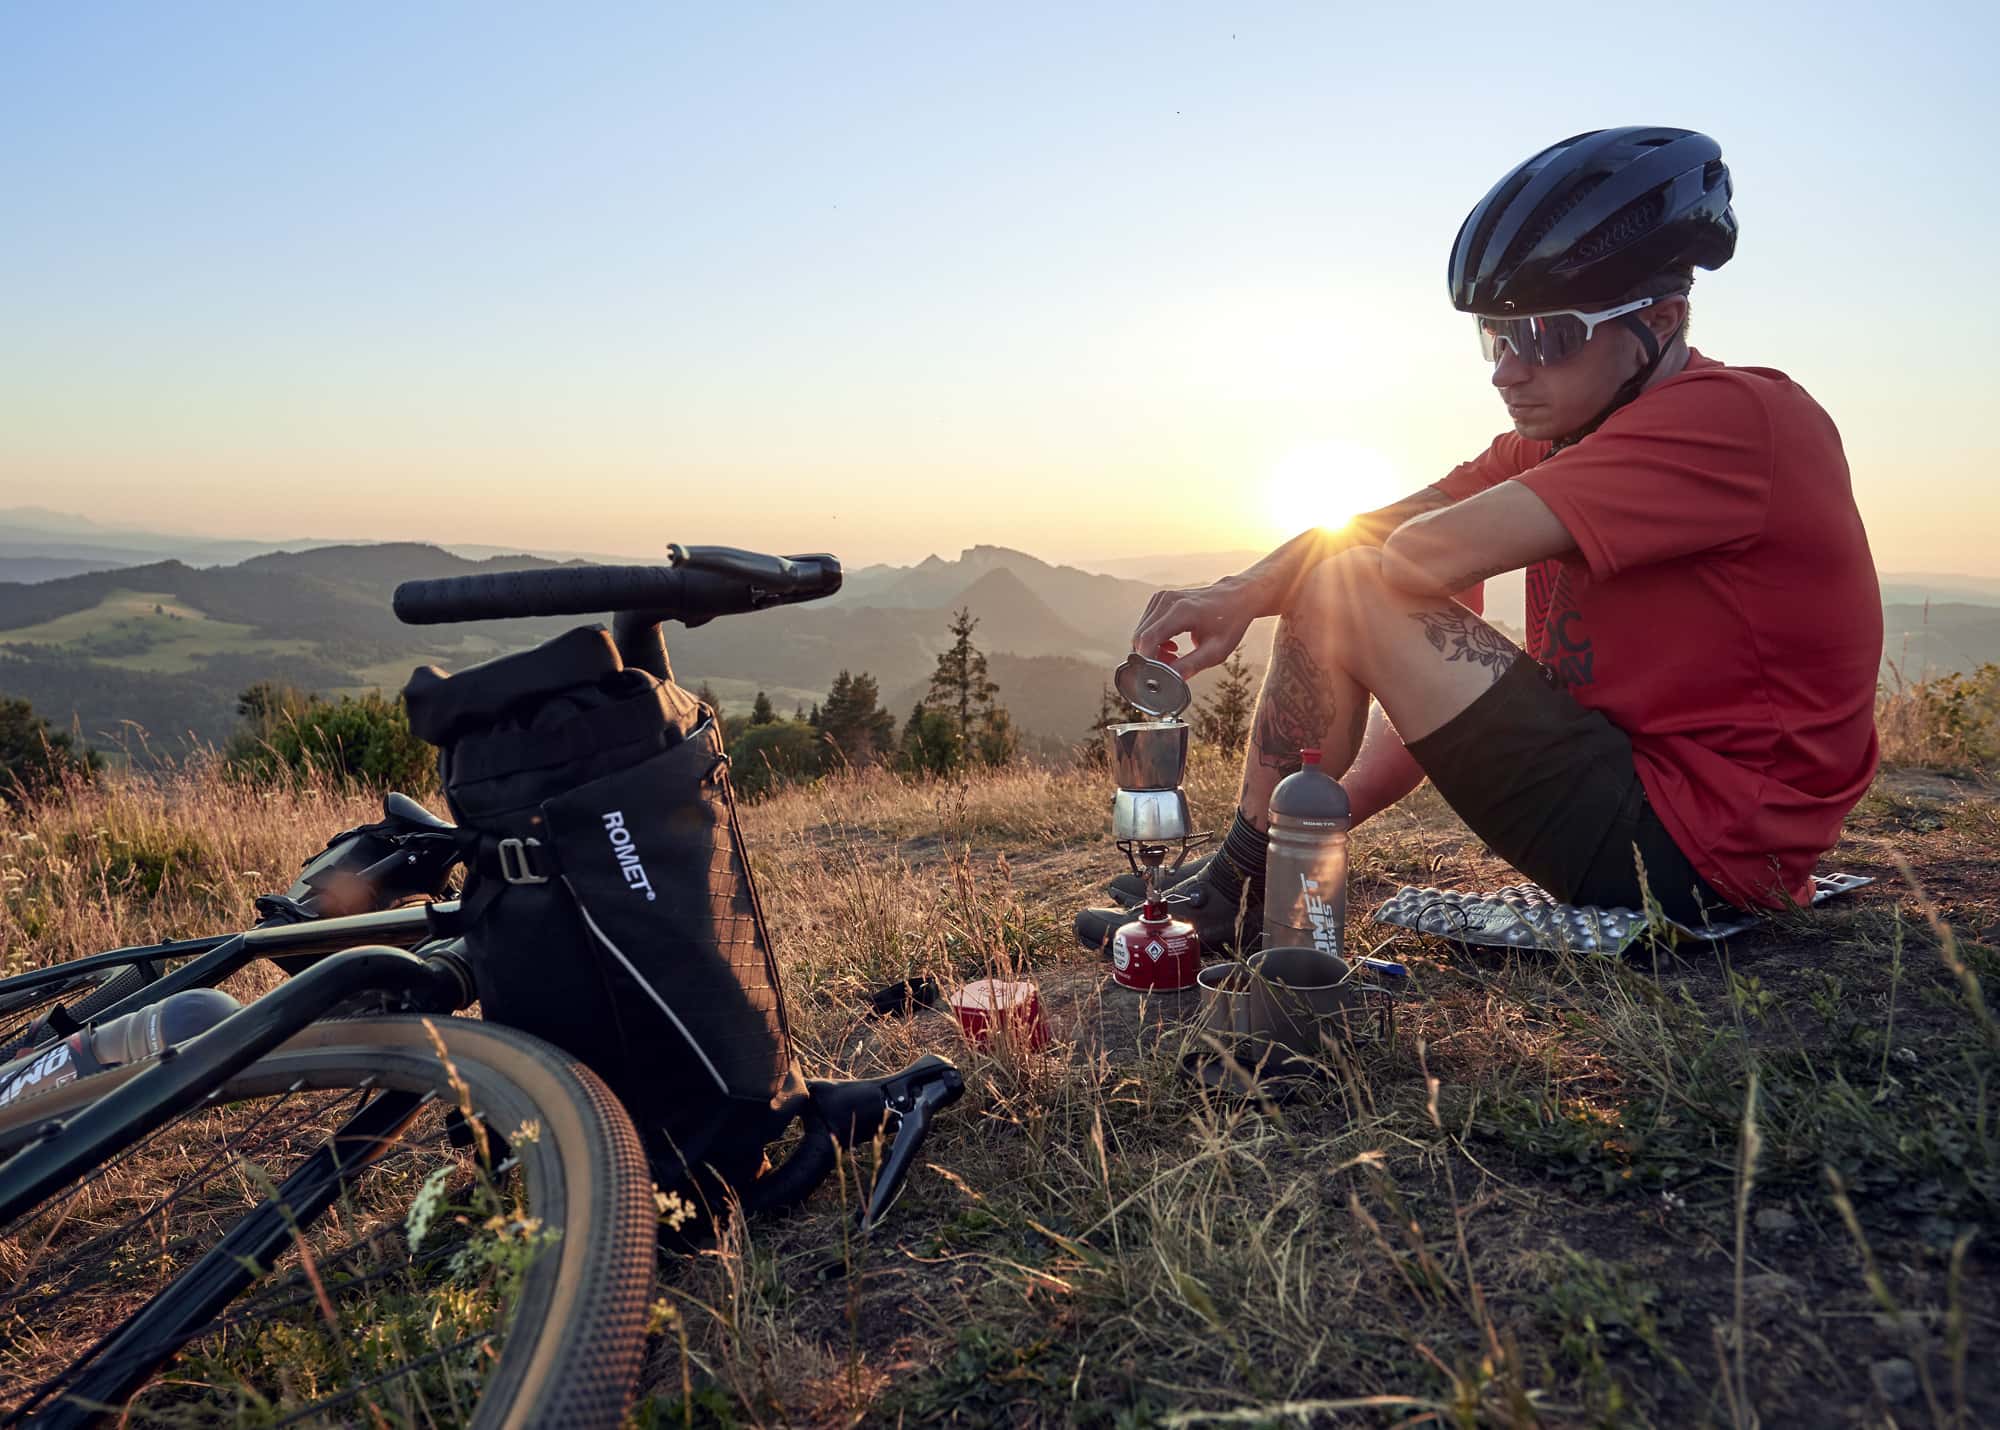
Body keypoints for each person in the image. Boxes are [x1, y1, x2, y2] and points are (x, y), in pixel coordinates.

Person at [1077, 126, 1882, 954]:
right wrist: (1241, 595)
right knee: (1350, 577)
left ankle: (1235, 895)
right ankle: (1240, 884)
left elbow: (1409, 559)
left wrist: (1362, 586)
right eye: (1494, 338)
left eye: (1547, 336)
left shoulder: (1733, 421)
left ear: (1662, 321)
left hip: (1697, 849)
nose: (1506, 370)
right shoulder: (1572, 438)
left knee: (1352, 581)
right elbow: (1389, 554)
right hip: (1643, 813)